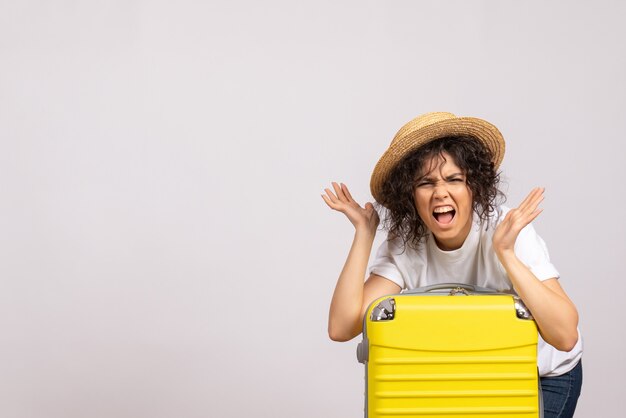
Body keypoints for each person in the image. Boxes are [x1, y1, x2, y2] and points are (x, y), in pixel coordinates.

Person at [322, 112, 583, 418]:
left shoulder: (508, 230)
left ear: (474, 186)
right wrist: (364, 235)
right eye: (425, 183)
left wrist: (506, 253)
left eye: (454, 179)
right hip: (468, 371)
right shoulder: (407, 244)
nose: (440, 192)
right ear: (410, 194)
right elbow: (342, 327)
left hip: (541, 375)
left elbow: (565, 336)